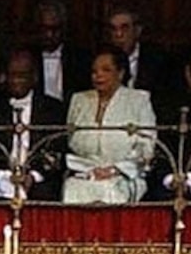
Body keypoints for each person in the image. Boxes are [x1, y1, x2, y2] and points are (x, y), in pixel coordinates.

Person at [62, 49, 156, 204]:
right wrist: (90, 170)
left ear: (120, 73)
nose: (98, 75)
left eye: (106, 70)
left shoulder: (139, 100)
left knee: (109, 190)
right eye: (94, 71)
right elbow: (70, 140)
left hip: (124, 175)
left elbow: (146, 146)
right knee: (72, 189)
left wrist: (115, 170)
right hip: (85, 173)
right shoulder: (79, 100)